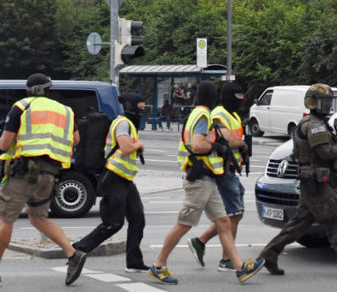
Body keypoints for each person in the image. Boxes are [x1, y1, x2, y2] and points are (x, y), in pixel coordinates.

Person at [148, 81, 264, 285]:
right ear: (212, 97)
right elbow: (198, 144)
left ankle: (240, 268)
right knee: (184, 224)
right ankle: (158, 266)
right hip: (199, 179)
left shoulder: (199, 114)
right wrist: (217, 147)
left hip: (207, 177)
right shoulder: (202, 115)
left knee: (224, 222)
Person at [258, 83, 337, 278]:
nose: (328, 105)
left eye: (329, 101)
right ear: (313, 103)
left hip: (313, 182)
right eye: (324, 101)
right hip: (317, 183)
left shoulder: (318, 123)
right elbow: (324, 151)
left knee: (298, 225)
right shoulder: (314, 125)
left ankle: (269, 255)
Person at [0, 73, 87, 285]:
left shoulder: (22, 106)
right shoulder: (66, 111)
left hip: (23, 172)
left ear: (31, 90)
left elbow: (4, 144)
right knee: (38, 218)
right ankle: (72, 253)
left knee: (5, 218)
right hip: (50, 174)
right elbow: (75, 139)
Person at [73, 93, 149, 273]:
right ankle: (78, 249)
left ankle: (134, 262)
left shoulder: (129, 124)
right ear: (131, 106)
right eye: (140, 105)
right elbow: (125, 147)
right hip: (114, 177)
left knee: (138, 218)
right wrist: (138, 146)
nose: (143, 109)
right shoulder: (122, 123)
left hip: (125, 179)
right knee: (113, 224)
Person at [187, 82, 249, 271]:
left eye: (241, 97)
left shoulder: (233, 115)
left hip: (229, 169)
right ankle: (226, 259)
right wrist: (243, 144)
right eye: (236, 97)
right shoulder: (219, 114)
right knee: (233, 213)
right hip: (222, 170)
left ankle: (201, 242)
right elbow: (227, 140)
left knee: (232, 215)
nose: (239, 101)